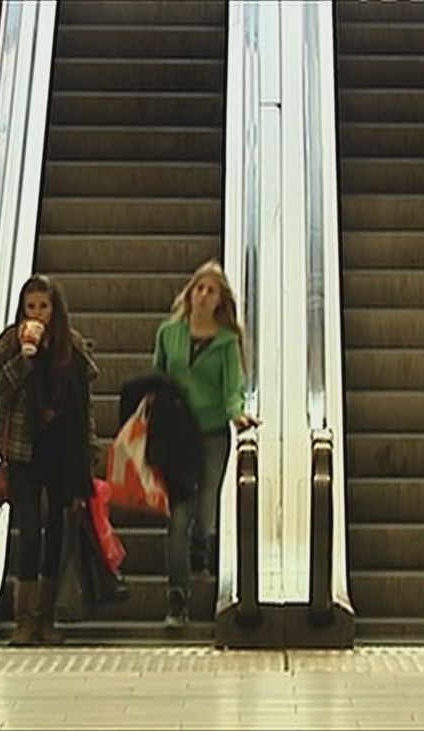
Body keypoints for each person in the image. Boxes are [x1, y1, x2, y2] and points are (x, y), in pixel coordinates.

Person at [0, 274, 99, 645]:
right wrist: (23, 359)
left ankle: (47, 618)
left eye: (44, 306)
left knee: (57, 533)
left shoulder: (72, 347)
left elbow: (85, 405)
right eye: (30, 307)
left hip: (62, 450)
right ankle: (24, 619)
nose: (37, 314)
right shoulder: (8, 343)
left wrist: (90, 450)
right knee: (30, 531)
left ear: (55, 309)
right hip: (23, 449)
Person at [153, 261, 256, 628]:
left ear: (220, 300)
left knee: (206, 508)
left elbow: (233, 387)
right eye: (199, 288)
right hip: (179, 436)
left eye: (211, 291)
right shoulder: (169, 334)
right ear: (190, 292)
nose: (202, 295)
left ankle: (203, 548)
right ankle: (177, 599)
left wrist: (237, 413)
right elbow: (159, 377)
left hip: (213, 434)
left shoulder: (227, 342)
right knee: (178, 516)